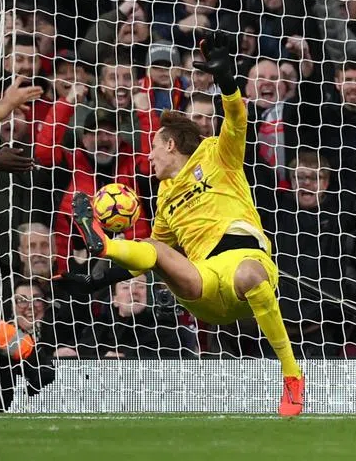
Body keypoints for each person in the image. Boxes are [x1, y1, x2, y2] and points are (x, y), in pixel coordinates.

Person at [62, 31, 305, 415]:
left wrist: (226, 81)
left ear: (171, 145)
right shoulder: (164, 198)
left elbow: (237, 119)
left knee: (247, 273)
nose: (149, 156)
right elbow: (147, 259)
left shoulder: (217, 154)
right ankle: (103, 246)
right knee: (155, 246)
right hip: (203, 286)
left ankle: (291, 376)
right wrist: (97, 280)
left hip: (245, 266)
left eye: (153, 148)